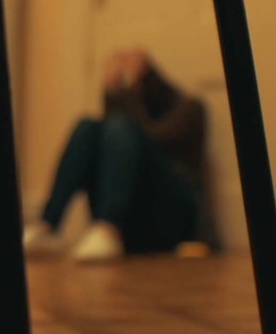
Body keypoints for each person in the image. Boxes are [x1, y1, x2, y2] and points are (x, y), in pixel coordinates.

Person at [23, 48, 215, 261]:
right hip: (133, 220)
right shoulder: (123, 121)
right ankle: (47, 225)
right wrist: (112, 90)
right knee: (87, 126)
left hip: (172, 218)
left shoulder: (191, 109)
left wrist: (130, 87)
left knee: (119, 125)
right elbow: (114, 148)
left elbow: (144, 136)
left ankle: (108, 228)